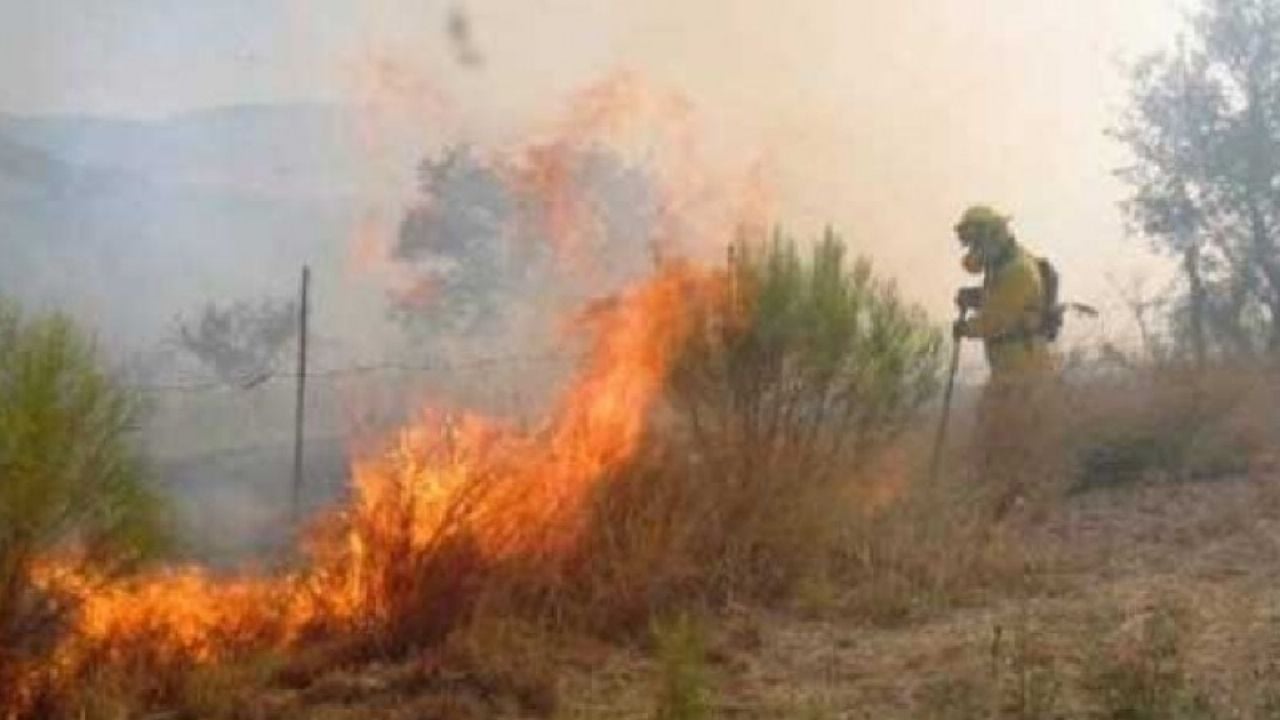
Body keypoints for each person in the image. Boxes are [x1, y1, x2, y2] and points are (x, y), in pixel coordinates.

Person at [951, 205, 1058, 519]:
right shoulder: (1002, 266)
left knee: (1006, 437)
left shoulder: (1017, 271)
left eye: (975, 241)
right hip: (1010, 370)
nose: (972, 249)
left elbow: (996, 321)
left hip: (1023, 372)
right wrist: (976, 297)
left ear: (991, 235)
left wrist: (965, 327)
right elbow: (998, 300)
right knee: (1000, 436)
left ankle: (1014, 504)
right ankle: (1006, 500)